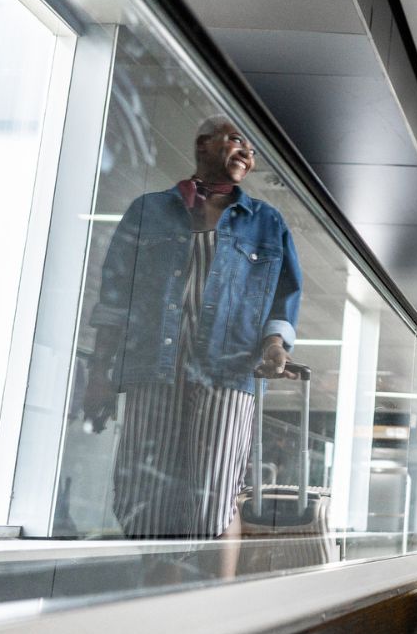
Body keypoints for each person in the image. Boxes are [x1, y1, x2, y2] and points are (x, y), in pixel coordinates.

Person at [83, 115, 302, 577]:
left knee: (216, 494)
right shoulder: (149, 211)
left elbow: (284, 295)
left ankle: (215, 619)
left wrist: (276, 344)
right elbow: (115, 298)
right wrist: (100, 376)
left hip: (227, 369)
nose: (247, 152)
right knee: (147, 497)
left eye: (253, 149)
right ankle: (161, 610)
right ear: (204, 143)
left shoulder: (265, 222)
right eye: (237, 139)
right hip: (152, 366)